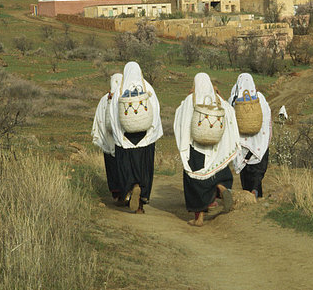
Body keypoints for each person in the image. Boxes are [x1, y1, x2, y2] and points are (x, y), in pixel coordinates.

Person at [174, 73, 240, 226]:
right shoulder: (218, 100)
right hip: (216, 149)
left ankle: (199, 218)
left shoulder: (191, 100)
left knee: (196, 181)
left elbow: (180, 119)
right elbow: (230, 115)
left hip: (196, 148)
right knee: (218, 172)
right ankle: (221, 187)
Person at [110, 62, 163, 214]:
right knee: (144, 170)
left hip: (126, 140)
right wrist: (151, 134)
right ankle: (140, 206)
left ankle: (132, 187)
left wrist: (119, 137)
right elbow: (155, 112)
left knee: (127, 169)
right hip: (145, 139)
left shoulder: (120, 90)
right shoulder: (148, 88)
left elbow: (114, 116)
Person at [229, 73, 272, 198]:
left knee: (245, 171)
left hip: (242, 147)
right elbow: (267, 121)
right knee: (258, 172)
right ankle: (255, 191)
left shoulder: (234, 99)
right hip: (259, 144)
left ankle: (247, 194)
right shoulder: (260, 98)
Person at [92, 73, 124, 203]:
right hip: (123, 142)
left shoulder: (104, 99)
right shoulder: (125, 97)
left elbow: (99, 119)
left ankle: (117, 196)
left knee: (112, 167)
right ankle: (126, 191)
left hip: (108, 140)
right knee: (123, 167)